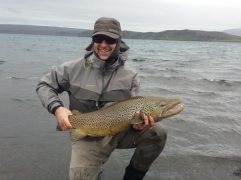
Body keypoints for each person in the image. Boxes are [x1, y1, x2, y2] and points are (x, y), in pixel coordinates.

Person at [36, 17, 167, 180]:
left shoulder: (131, 77)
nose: (103, 44)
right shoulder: (71, 69)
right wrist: (57, 109)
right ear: (93, 40)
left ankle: (133, 176)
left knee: (158, 133)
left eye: (110, 39)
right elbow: (44, 86)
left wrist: (138, 126)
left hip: (120, 131)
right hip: (87, 135)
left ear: (118, 41)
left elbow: (136, 113)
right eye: (98, 38)